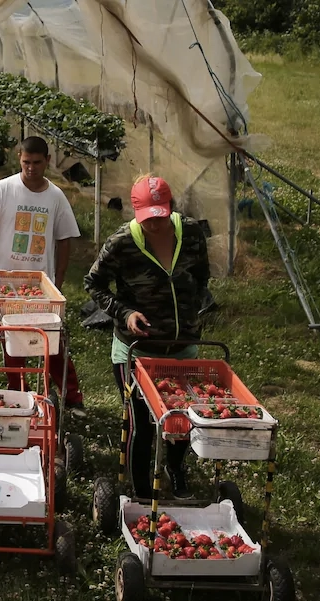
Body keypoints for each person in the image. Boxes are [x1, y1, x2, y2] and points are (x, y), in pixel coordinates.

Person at [83, 175, 211, 499]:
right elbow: (94, 284)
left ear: (171, 208)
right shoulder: (121, 243)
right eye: (148, 218)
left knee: (180, 417)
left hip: (182, 346)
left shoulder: (192, 234)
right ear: (136, 211)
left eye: (161, 216)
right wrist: (125, 313)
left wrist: (191, 310)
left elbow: (201, 276)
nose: (155, 224)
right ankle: (141, 490)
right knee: (142, 421)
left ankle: (176, 470)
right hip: (137, 350)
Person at [0, 136, 85, 416]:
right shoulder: (2, 189)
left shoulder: (55, 197)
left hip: (38, 284)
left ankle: (72, 396)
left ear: (48, 161)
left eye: (37, 163)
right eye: (26, 162)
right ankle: (19, 394)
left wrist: (59, 278)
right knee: (13, 340)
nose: (31, 168)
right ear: (19, 158)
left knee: (52, 340)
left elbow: (65, 239)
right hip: (3, 283)